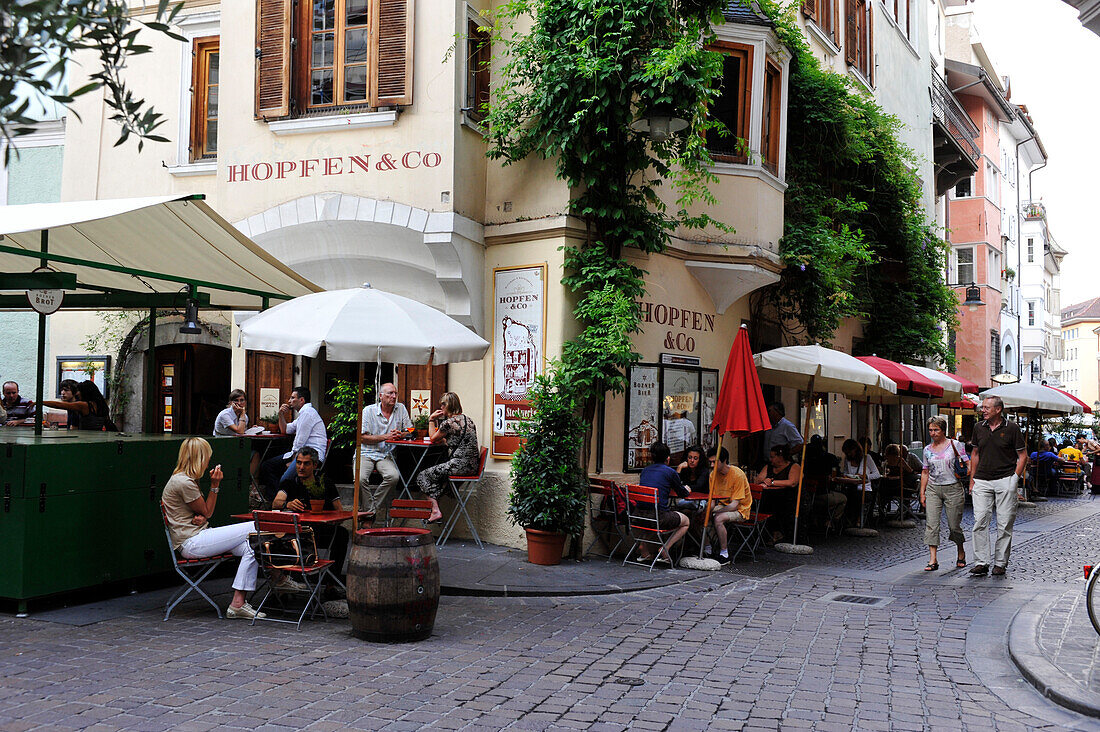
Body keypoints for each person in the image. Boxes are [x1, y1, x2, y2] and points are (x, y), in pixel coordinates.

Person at [160, 437, 266, 619]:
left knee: (253, 545)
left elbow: (201, 513)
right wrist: (215, 486)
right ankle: (280, 578)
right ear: (199, 458)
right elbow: (208, 512)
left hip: (195, 537)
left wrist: (199, 516)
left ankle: (237, 604)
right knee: (257, 525)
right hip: (192, 542)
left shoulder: (183, 479)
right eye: (207, 456)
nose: (209, 460)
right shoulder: (184, 482)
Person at [272, 446, 348, 592]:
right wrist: (288, 503)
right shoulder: (289, 482)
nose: (301, 467)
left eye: (306, 463)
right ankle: (283, 585)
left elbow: (340, 512)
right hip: (297, 535)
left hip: (321, 532)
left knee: (342, 534)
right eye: (299, 463)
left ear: (315, 465)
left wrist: (325, 516)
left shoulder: (325, 483)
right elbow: (276, 503)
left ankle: (331, 585)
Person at [969, 395, 1027, 577]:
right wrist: (972, 480)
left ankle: (1000, 563)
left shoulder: (1012, 429)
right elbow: (975, 454)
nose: (983, 410)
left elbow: (1023, 455)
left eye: (986, 408)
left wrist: (1014, 480)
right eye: (983, 407)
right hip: (982, 480)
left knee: (1004, 523)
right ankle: (981, 562)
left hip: (1005, 479)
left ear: (998, 409)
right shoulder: (979, 427)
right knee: (979, 522)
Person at [416, 392, 480, 523]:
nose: (441, 408)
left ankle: (435, 510)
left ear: (447, 405)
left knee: (422, 476)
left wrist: (431, 420)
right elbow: (460, 440)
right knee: (439, 479)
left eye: (442, 405)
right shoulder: (468, 420)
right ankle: (437, 504)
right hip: (472, 467)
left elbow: (433, 438)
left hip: (459, 467)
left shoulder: (448, 423)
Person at [259, 386, 328, 501]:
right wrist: (281, 414)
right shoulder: (303, 414)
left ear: (301, 400)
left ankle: (282, 503)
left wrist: (293, 461)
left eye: (292, 398)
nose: (289, 401)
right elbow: (285, 429)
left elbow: (300, 442)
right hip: (299, 454)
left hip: (311, 456)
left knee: (285, 480)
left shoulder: (308, 413)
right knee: (267, 465)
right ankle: (276, 502)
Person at [919, 416, 968, 572]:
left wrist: (969, 477)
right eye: (931, 430)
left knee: (954, 525)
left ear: (943, 430)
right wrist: (922, 492)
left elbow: (968, 463)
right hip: (933, 488)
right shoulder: (927, 449)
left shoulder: (955, 445)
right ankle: (933, 559)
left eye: (936, 430)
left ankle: (960, 551)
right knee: (932, 524)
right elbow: (925, 471)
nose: (933, 433)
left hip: (953, 488)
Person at [358, 383, 411, 522]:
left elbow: (411, 430)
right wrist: (386, 437)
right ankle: (370, 513)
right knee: (360, 478)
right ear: (380, 396)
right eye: (390, 393)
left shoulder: (401, 409)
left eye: (395, 393)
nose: (394, 396)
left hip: (386, 455)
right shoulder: (368, 411)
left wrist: (402, 434)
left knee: (393, 477)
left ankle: (369, 511)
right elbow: (361, 438)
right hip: (366, 452)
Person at [635, 441, 691, 565]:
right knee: (686, 521)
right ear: (668, 458)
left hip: (637, 516)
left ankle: (643, 547)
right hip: (658, 517)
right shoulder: (669, 472)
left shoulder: (645, 470)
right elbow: (682, 493)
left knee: (653, 517)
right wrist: (687, 489)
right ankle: (665, 549)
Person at [706, 446, 751, 564]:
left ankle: (724, 553)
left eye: (714, 462)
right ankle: (707, 548)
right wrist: (707, 512)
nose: (712, 465)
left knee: (718, 518)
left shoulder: (737, 474)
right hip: (723, 505)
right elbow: (713, 500)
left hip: (740, 509)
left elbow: (734, 505)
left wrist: (715, 512)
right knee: (699, 516)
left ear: (724, 460)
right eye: (710, 462)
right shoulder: (712, 475)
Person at [835, 438, 881, 524]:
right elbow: (845, 472)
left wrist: (866, 476)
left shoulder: (867, 458)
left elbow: (877, 474)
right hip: (850, 487)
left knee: (855, 497)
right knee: (843, 497)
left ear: (855, 449)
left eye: (850, 451)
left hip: (864, 490)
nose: (849, 454)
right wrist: (845, 476)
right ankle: (845, 520)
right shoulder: (847, 460)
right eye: (847, 452)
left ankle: (856, 520)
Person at [40, 380, 114, 431]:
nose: (77, 393)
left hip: (85, 438)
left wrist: (40, 402)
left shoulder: (84, 405)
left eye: (79, 391)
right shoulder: (102, 405)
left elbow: (59, 405)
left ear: (84, 392)